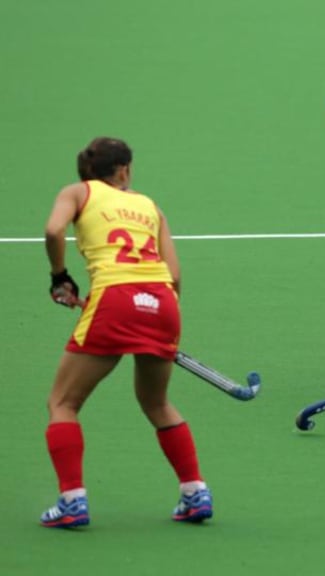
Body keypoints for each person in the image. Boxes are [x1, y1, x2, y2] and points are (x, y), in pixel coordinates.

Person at [40, 137, 212, 527]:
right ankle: (195, 492)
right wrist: (162, 324)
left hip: (114, 299)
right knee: (157, 403)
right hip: (163, 303)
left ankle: (72, 501)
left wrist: (59, 277)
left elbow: (53, 231)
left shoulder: (77, 192)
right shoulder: (149, 206)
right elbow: (175, 275)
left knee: (63, 403)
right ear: (124, 171)